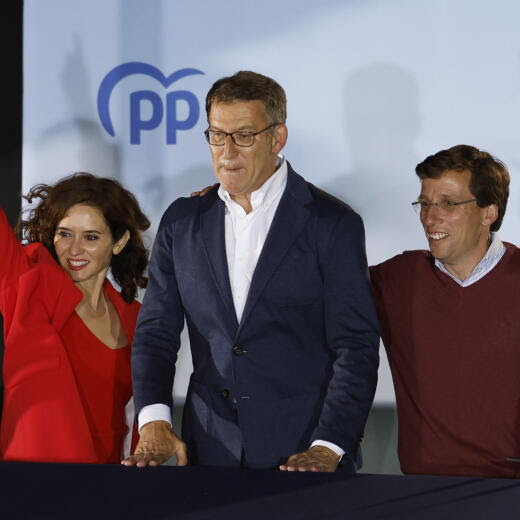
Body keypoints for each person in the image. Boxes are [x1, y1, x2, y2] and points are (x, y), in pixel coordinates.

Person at [123, 70, 379, 472]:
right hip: (209, 452)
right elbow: (156, 333)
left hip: (304, 453)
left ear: (277, 138)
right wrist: (154, 419)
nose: (227, 152)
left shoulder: (332, 223)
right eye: (216, 135)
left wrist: (328, 446)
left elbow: (355, 347)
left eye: (244, 135)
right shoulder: (182, 221)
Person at [370, 144, 519, 478]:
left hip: (509, 492)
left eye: (448, 204)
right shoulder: (398, 278)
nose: (429, 217)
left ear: (488, 213)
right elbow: (318, 286)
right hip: (422, 490)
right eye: (424, 203)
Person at [0, 172, 150, 463]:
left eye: (91, 237)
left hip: (107, 488)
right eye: (65, 234)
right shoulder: (28, 282)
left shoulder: (136, 319)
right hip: (33, 481)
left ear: (118, 242)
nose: (74, 249)